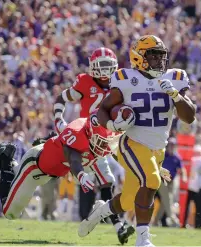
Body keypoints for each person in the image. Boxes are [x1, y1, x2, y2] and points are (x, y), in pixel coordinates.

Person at [78, 35, 196, 247]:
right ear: (139, 57)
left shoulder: (175, 77)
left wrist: (176, 96)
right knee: (151, 182)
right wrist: (112, 126)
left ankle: (99, 212)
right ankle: (143, 239)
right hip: (131, 142)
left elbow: (189, 117)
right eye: (153, 56)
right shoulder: (125, 77)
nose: (159, 61)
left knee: (128, 200)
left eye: (161, 56)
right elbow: (103, 109)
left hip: (157, 149)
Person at [0, 110, 121, 221]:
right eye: (101, 141)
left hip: (46, 172)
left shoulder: (94, 138)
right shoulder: (78, 134)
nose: (104, 146)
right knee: (10, 213)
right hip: (34, 167)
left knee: (15, 174)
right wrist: (81, 175)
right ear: (91, 134)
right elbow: (74, 159)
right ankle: (6, 160)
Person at [54, 47, 134, 244]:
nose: (106, 70)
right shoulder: (84, 81)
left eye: (109, 65)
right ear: (93, 67)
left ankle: (107, 219)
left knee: (110, 181)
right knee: (107, 181)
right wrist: (59, 121)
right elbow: (62, 98)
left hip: (108, 139)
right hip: (87, 138)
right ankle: (117, 226)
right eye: (102, 65)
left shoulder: (119, 84)